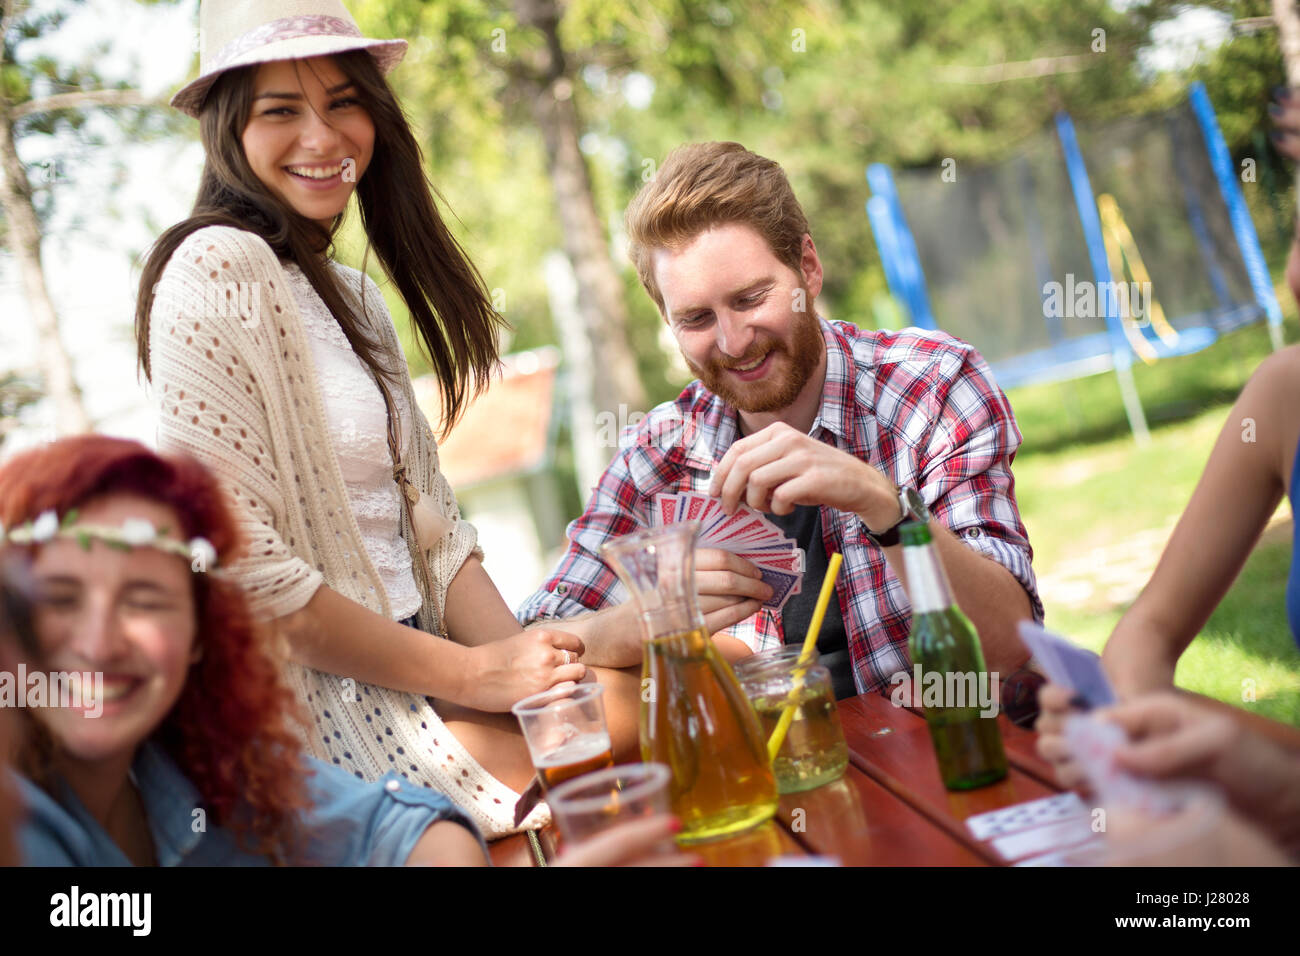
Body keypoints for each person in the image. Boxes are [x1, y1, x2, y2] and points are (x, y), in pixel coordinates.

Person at [134, 0, 637, 837]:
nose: (324, 138)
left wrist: (530, 675)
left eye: (343, 100)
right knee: (658, 718)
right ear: (227, 127)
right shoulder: (213, 267)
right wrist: (480, 679)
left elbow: (437, 539)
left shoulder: (357, 301)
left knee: (681, 683)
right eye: (281, 110)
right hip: (328, 716)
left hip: (434, 673)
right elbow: (244, 575)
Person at [518, 141, 1044, 704]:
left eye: (750, 299)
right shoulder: (660, 452)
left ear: (808, 268)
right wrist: (624, 628)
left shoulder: (932, 386)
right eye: (696, 318)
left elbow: (1011, 648)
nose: (732, 341)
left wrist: (885, 507)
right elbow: (527, 647)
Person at [0, 435, 489, 866]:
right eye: (59, 599)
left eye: (144, 600)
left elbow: (399, 833)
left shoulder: (194, 769)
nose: (99, 643)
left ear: (196, 636)